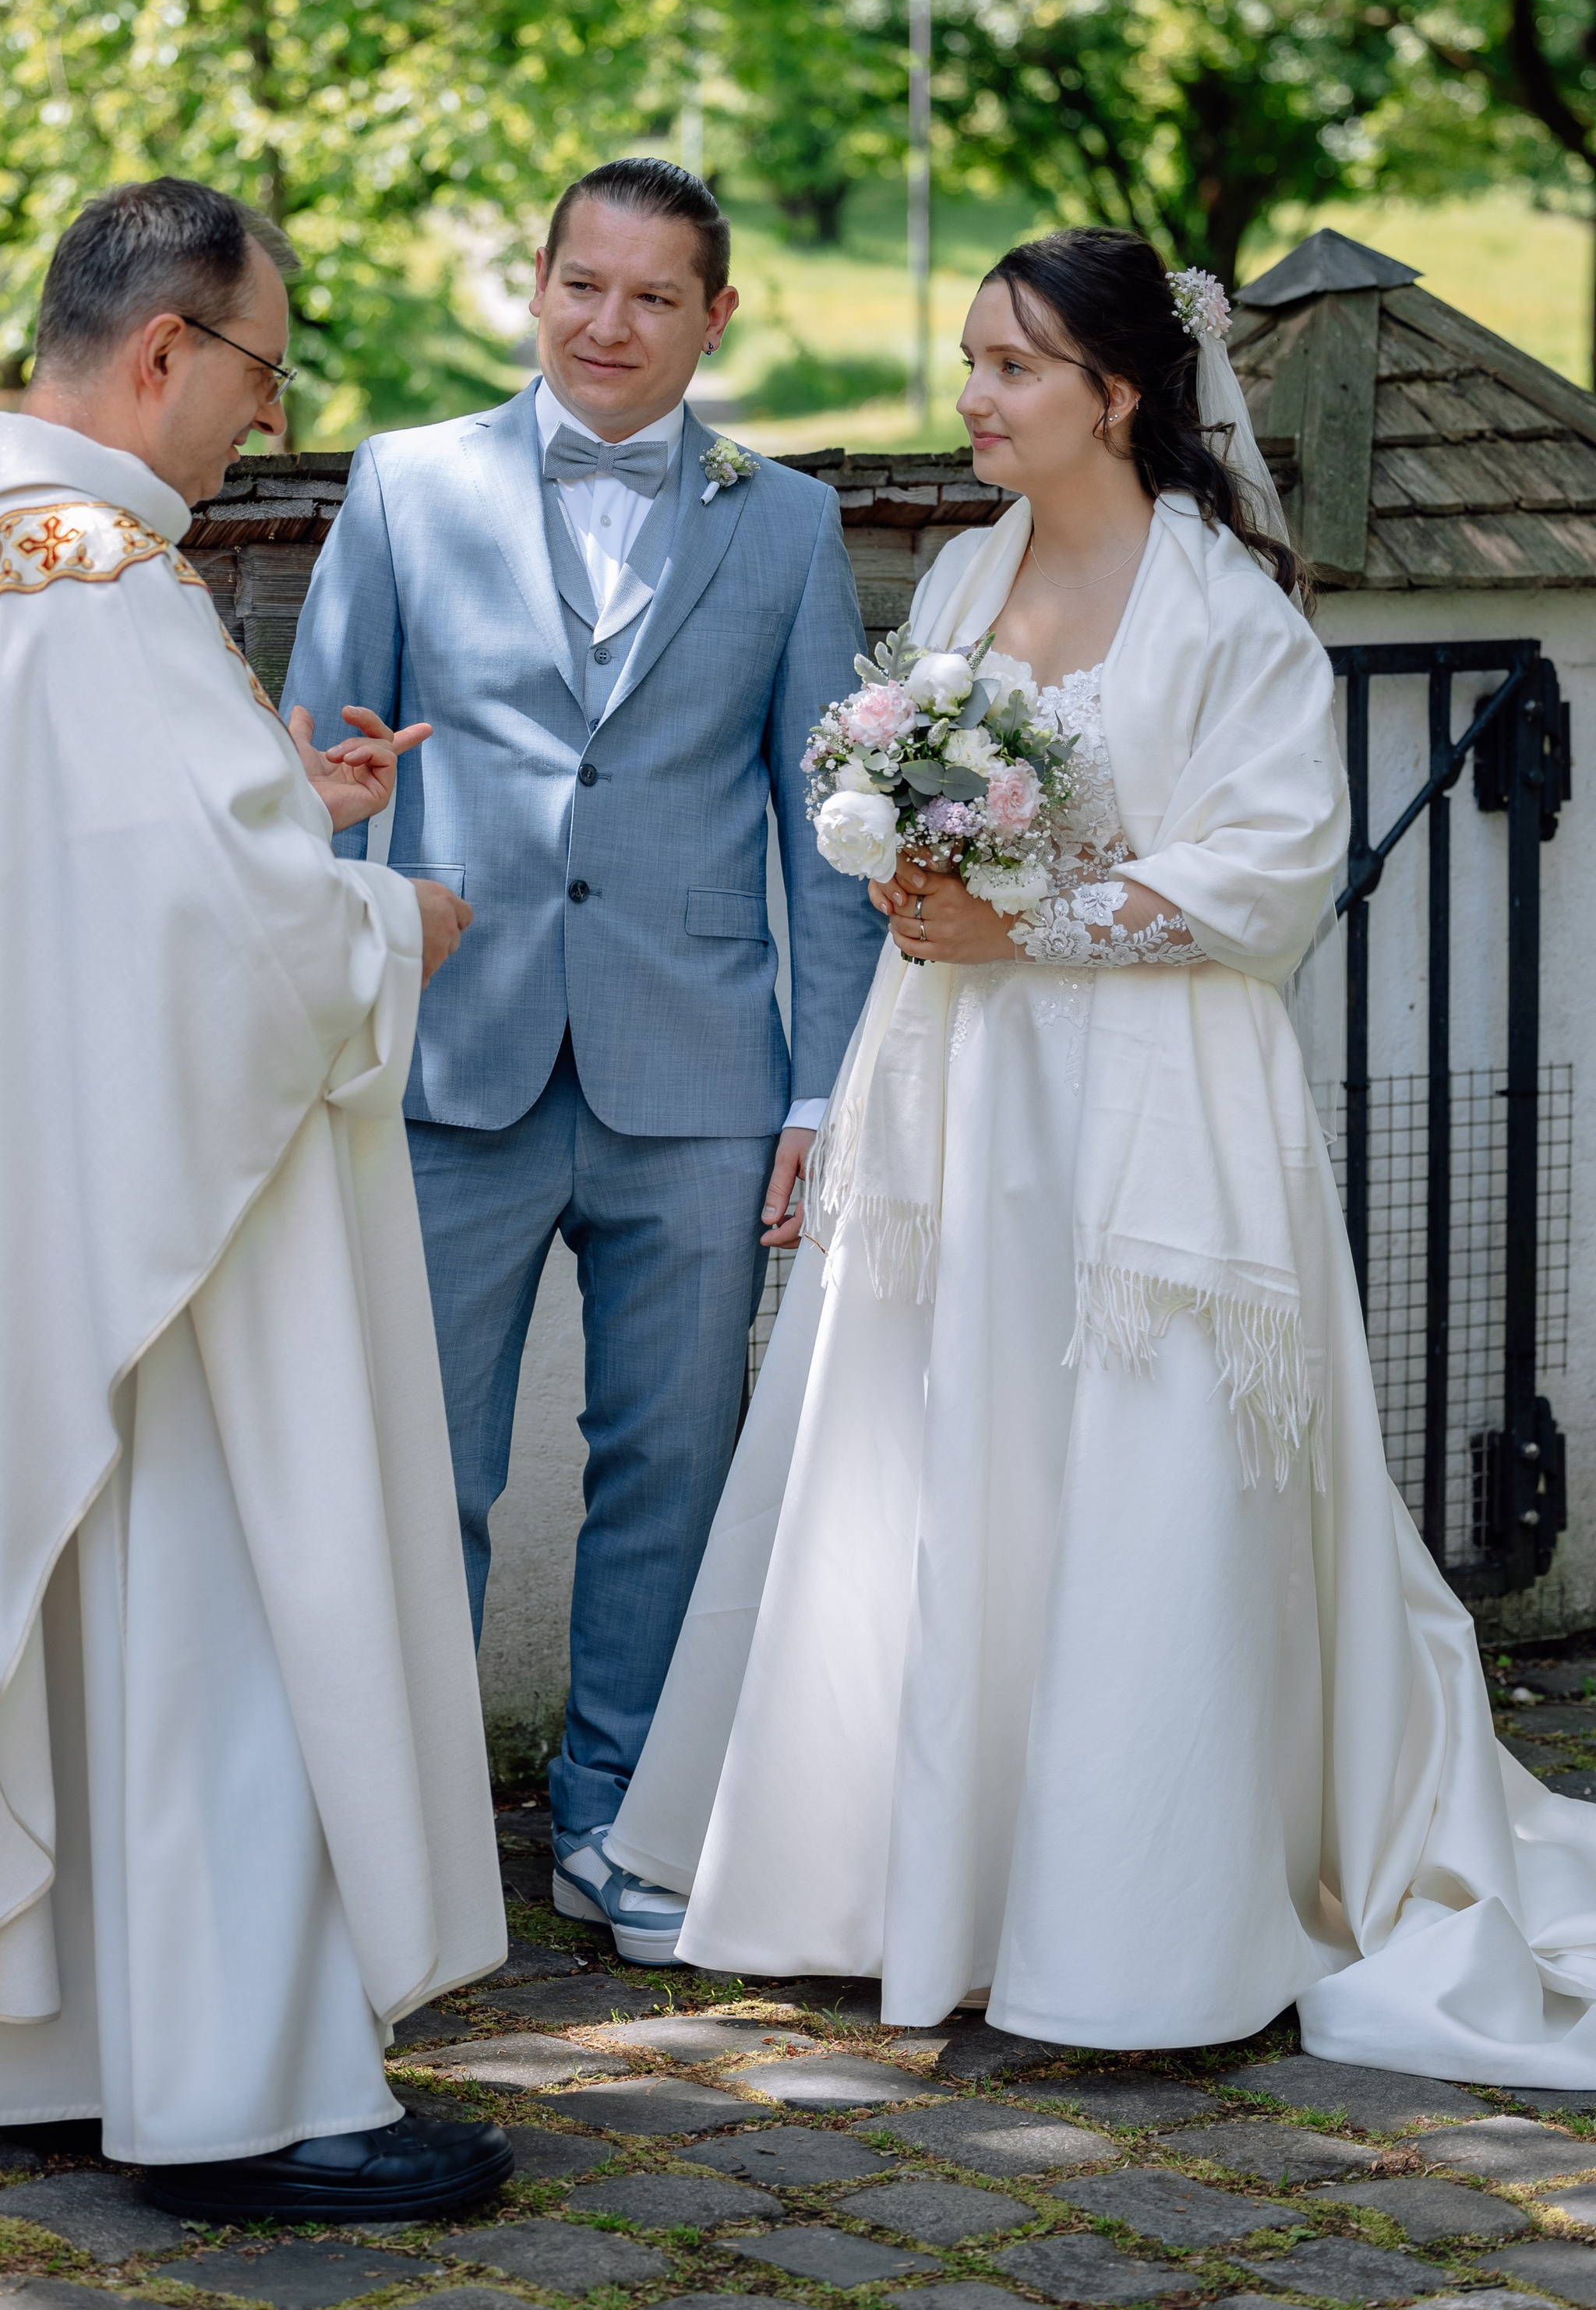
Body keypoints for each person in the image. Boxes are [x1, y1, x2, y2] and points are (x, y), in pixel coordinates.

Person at [609, 224, 1596, 2078]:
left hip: (1148, 1104)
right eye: (973, 360)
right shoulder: (971, 573)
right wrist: (900, 866)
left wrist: (1031, 921)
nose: (970, 398)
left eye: (1008, 367)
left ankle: (1129, 1917)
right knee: (938, 1452)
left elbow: (1268, 867)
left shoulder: (1223, 607)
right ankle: (914, 1883)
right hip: (963, 1094)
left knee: (1134, 1480)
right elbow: (893, 784)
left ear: (1114, 395)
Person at [0, 177, 513, 2220]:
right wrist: (398, 917)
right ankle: (242, 2094)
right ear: (166, 347)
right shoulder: (93, 581)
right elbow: (224, 951)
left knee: (91, 1621)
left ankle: (61, 2042)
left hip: (22, 1206)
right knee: (214, 1623)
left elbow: (99, 883)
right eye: (263, 376)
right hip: (159, 1236)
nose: (266, 429)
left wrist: (286, 803)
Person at [284, 159, 883, 1962]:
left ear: (714, 319)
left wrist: (817, 1094)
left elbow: (826, 828)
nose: (604, 327)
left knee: (670, 1466)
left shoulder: (782, 522)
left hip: (698, 1075)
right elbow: (319, 779)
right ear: (532, 285)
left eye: (648, 298)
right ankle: (387, 1842)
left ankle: (618, 1818)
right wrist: (328, 1030)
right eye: (578, 286)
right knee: (417, 1471)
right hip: (448, 1065)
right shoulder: (404, 484)